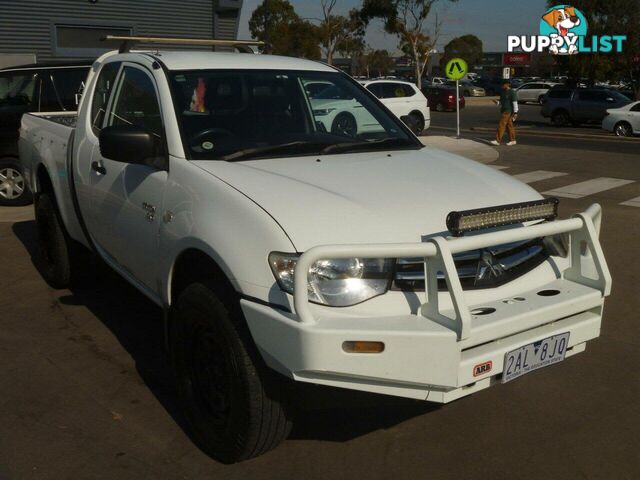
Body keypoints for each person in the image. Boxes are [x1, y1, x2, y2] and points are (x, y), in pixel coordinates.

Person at [490, 80, 518, 146]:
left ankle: (497, 140)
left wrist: (515, 112)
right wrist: (496, 102)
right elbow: (501, 102)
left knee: (501, 125)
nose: (502, 86)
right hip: (503, 110)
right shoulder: (502, 92)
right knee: (509, 126)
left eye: (503, 85)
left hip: (508, 111)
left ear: (507, 84)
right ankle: (513, 140)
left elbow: (515, 103)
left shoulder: (512, 92)